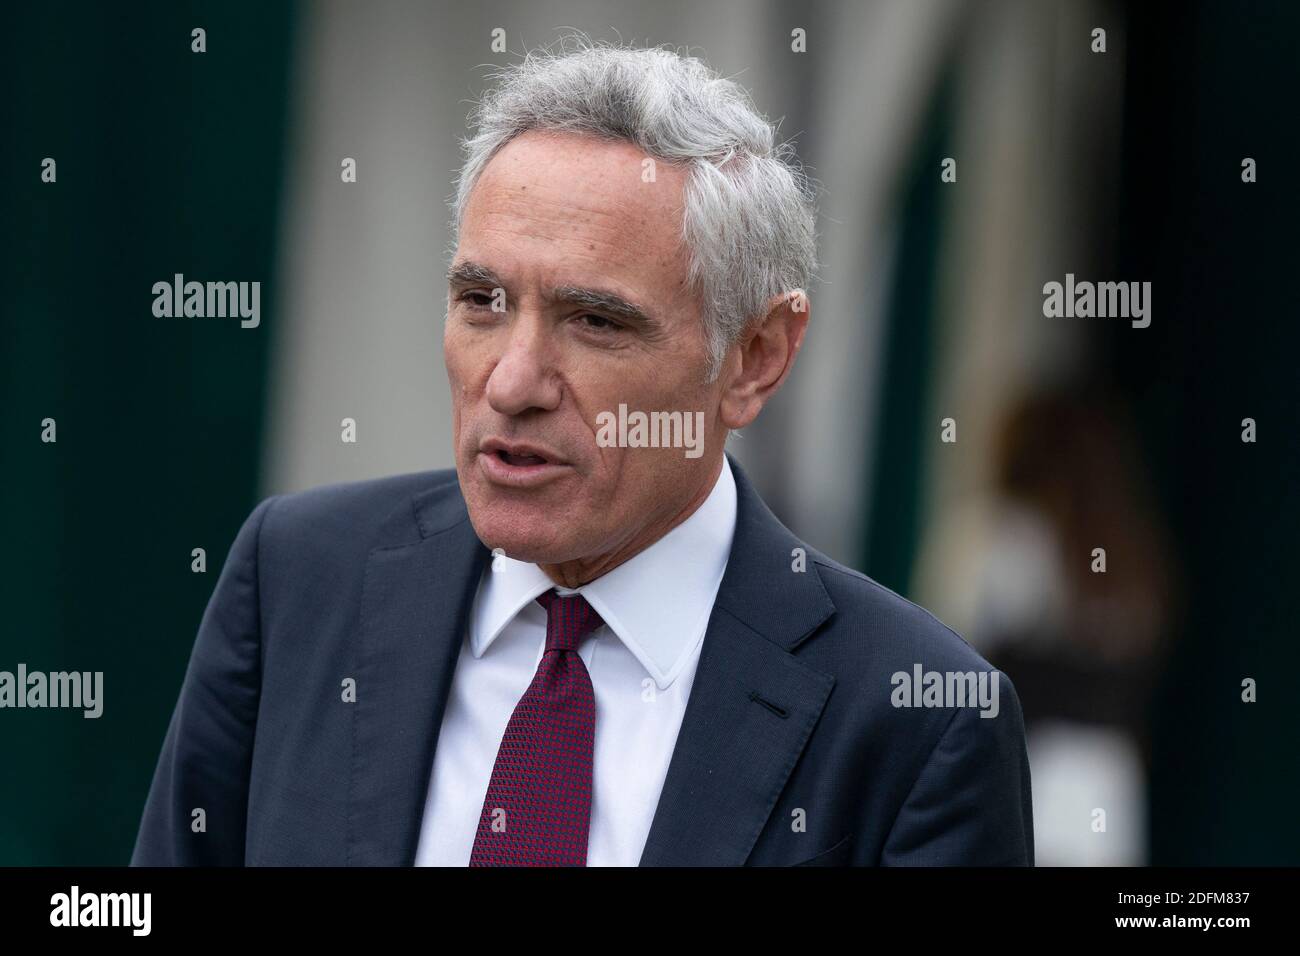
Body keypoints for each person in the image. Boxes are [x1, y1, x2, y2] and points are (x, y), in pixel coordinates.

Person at [131, 40, 1032, 867]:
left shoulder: (916, 721)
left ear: (754, 358)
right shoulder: (297, 579)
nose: (514, 381)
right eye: (482, 301)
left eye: (596, 321)